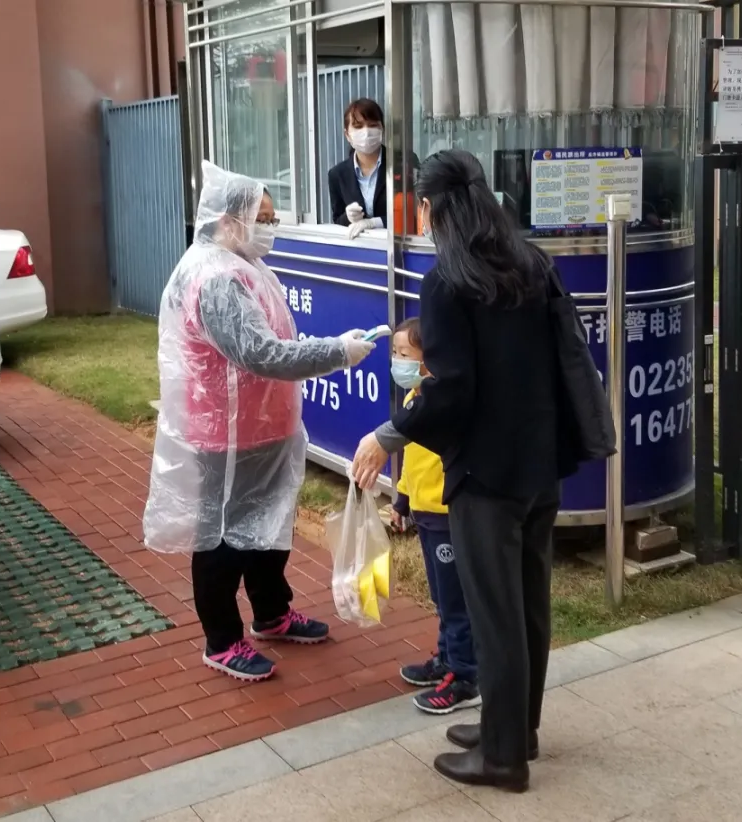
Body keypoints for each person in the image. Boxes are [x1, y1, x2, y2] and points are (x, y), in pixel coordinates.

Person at [351, 150, 565, 792]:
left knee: (495, 613)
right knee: (527, 604)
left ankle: (502, 758)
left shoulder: (448, 281)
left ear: (429, 209)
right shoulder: (531, 263)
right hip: (540, 462)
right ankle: (517, 729)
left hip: (485, 475)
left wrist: (388, 435)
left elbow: (451, 391)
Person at [144, 160, 376, 682]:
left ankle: (272, 612)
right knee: (224, 538)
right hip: (227, 434)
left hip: (263, 426)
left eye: (272, 217)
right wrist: (336, 352)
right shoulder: (216, 278)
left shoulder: (243, 263)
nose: (271, 226)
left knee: (269, 529)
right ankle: (222, 639)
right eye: (263, 218)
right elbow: (261, 353)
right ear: (230, 220)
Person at [388, 318, 479, 715]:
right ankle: (446, 660)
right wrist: (401, 501)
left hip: (445, 515)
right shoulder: (414, 399)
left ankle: (465, 676)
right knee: (441, 597)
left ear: (430, 361)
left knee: (456, 600)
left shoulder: (442, 406)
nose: (397, 361)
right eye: (395, 353)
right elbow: (411, 461)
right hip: (424, 514)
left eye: (404, 354)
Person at [328, 99, 419, 239]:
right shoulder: (337, 174)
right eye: (358, 126)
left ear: (382, 128)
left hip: (399, 244)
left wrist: (373, 223)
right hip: (361, 248)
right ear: (347, 135)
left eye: (372, 125)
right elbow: (337, 220)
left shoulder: (403, 163)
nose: (366, 132)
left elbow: (414, 213)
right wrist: (348, 217)